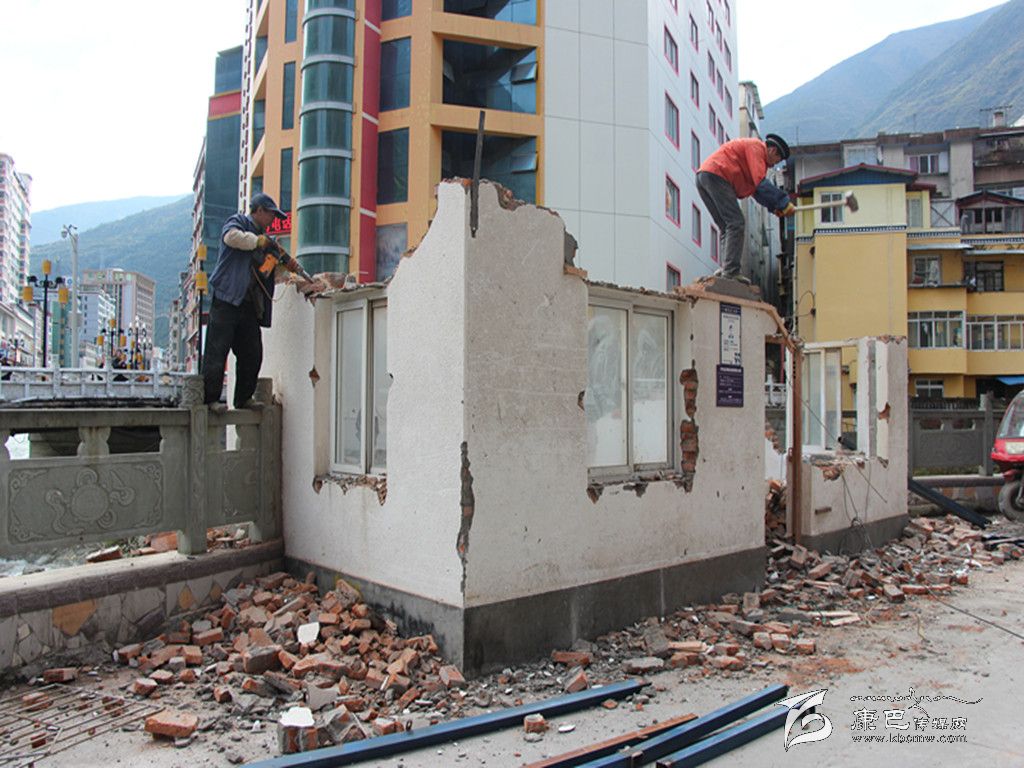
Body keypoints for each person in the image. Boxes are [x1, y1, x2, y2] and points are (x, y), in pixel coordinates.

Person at [202, 192, 293, 412]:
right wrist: (257, 241)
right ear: (259, 210)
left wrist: (281, 265)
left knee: (252, 353)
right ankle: (211, 400)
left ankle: (243, 398)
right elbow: (230, 237)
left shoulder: (267, 242)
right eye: (271, 215)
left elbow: (265, 273)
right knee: (217, 350)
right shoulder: (239, 222)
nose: (273, 220)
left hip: (249, 304)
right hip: (227, 298)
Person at [696, 133, 795, 283]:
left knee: (727, 226)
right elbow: (760, 184)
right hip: (718, 175)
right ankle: (731, 271)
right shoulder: (756, 148)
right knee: (736, 223)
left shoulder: (754, 156)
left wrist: (775, 207)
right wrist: (783, 202)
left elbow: (757, 192)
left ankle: (727, 269)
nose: (775, 164)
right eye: (777, 160)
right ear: (773, 150)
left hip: (705, 176)